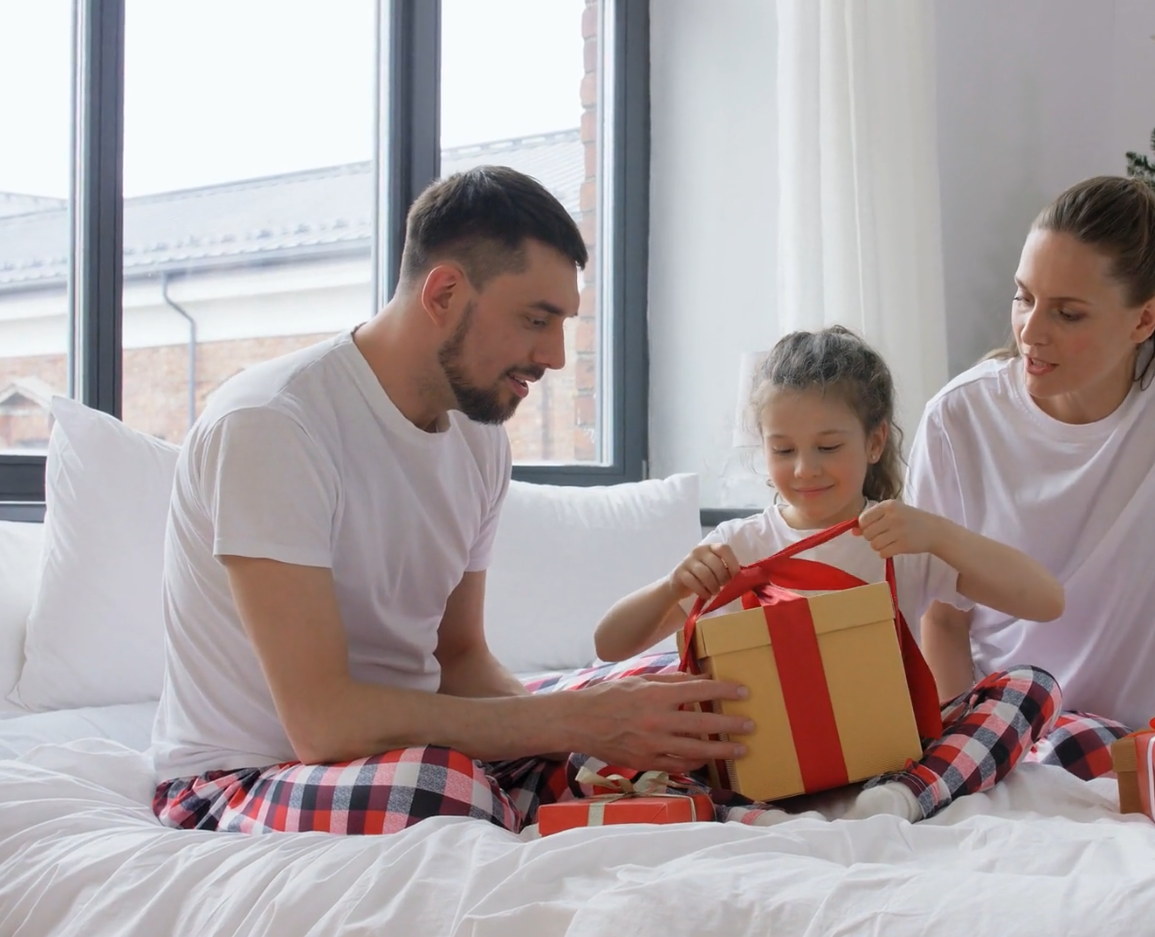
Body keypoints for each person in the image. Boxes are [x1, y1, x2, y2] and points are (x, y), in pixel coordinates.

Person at [149, 167, 755, 835]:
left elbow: (459, 657)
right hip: (248, 774)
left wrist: (598, 729)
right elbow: (321, 723)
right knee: (441, 789)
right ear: (443, 291)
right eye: (535, 319)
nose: (553, 355)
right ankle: (541, 806)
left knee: (674, 686)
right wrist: (567, 722)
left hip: (422, 750)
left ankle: (592, 795)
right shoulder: (273, 424)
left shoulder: (478, 440)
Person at [594, 325, 1065, 822]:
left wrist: (942, 535)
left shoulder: (897, 538)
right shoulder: (739, 544)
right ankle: (740, 810)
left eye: (828, 447)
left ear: (875, 441)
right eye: (782, 450)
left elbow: (1045, 601)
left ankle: (909, 794)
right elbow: (610, 644)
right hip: (758, 760)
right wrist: (673, 585)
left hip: (885, 753)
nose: (804, 470)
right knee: (628, 687)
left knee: (1033, 686)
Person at [909, 176, 1155, 780]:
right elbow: (944, 621)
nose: (1031, 331)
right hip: (1010, 748)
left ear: (1145, 319)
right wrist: (967, 774)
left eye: (1067, 313)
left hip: (1153, 752)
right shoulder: (958, 418)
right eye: (1023, 296)